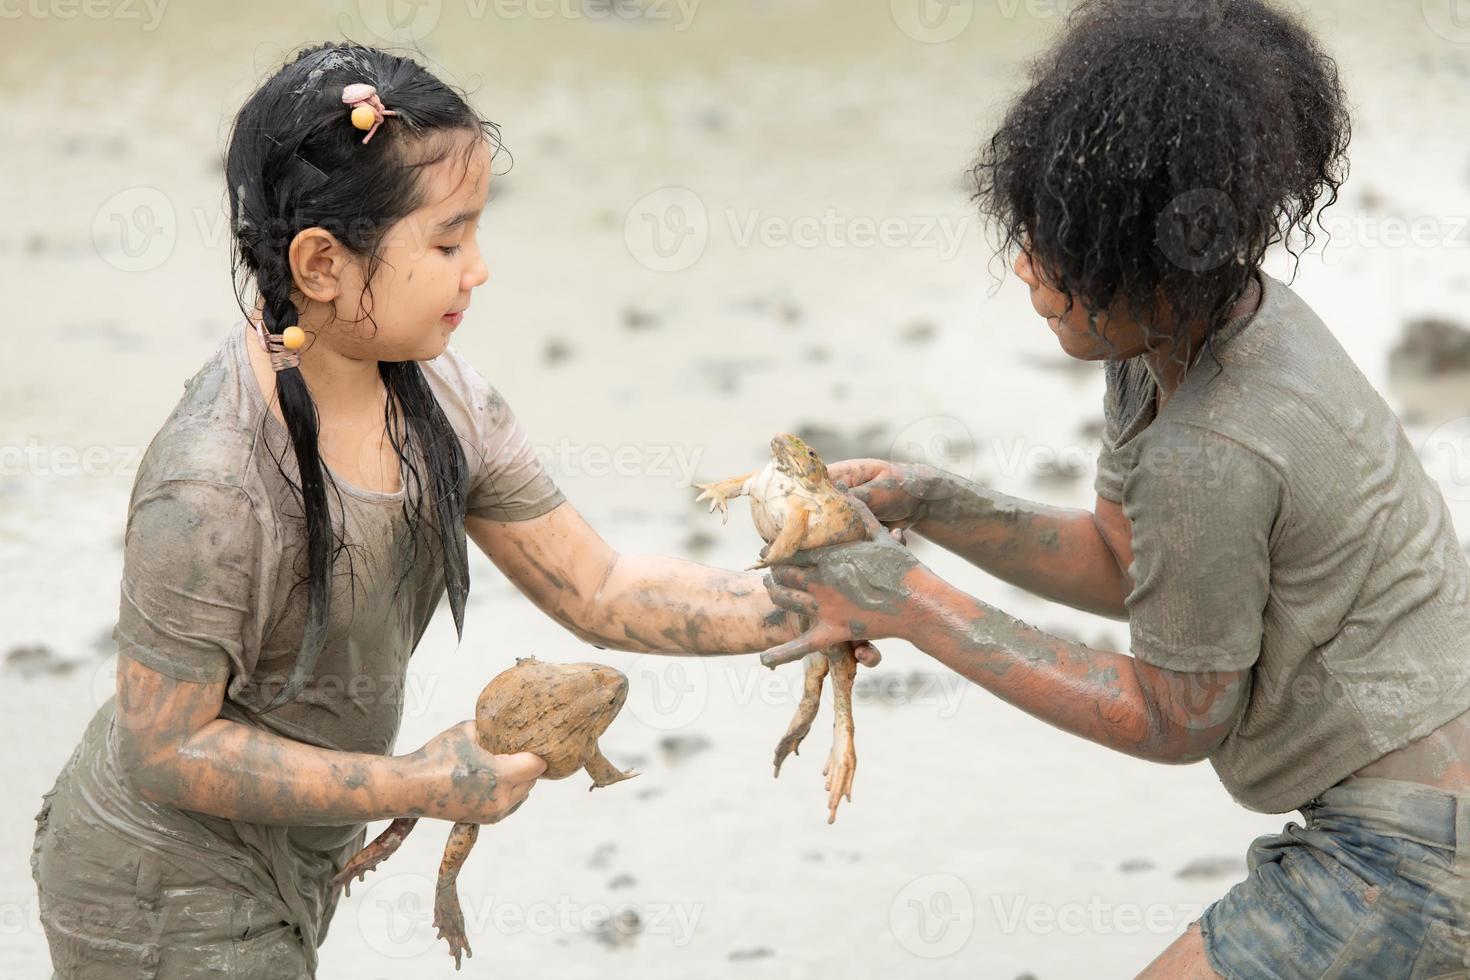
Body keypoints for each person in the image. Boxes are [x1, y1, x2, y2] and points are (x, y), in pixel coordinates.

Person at [29, 42, 878, 979]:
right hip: (152, 881)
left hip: (297, 855)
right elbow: (165, 745)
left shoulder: (444, 399)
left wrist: (818, 607)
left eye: (475, 234)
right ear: (320, 263)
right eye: (446, 242)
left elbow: (597, 587)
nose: (477, 270)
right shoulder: (213, 484)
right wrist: (419, 785)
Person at [757, 2, 1470, 976]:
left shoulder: (1214, 444)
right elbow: (1127, 561)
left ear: (1139, 260)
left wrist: (910, 604)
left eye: (1055, 247)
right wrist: (934, 501)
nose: (1026, 267)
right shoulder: (1184, 329)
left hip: (1418, 854)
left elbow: (1177, 718)